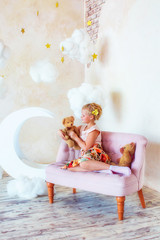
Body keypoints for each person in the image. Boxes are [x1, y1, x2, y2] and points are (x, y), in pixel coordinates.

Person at [58, 103, 131, 175]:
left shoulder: (94, 130)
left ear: (91, 117)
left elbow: (86, 147)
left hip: (96, 153)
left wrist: (75, 137)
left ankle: (114, 168)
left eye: (83, 115)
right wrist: (60, 132)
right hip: (87, 155)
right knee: (70, 167)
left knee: (83, 164)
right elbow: (68, 131)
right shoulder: (82, 127)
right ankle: (98, 169)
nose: (81, 117)